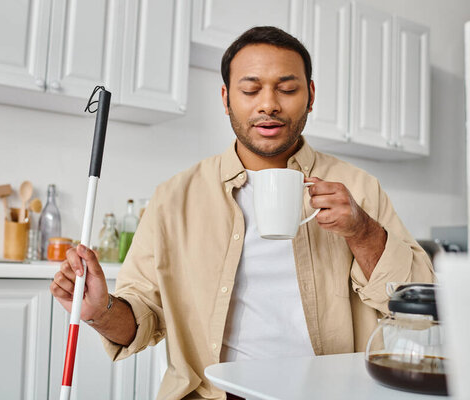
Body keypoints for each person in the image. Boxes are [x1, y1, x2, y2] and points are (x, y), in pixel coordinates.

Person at [50, 26, 434, 400]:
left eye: (287, 89)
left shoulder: (359, 189)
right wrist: (100, 311)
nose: (268, 104)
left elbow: (422, 305)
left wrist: (363, 232)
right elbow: (143, 319)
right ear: (226, 97)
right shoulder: (174, 198)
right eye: (250, 89)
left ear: (311, 95)